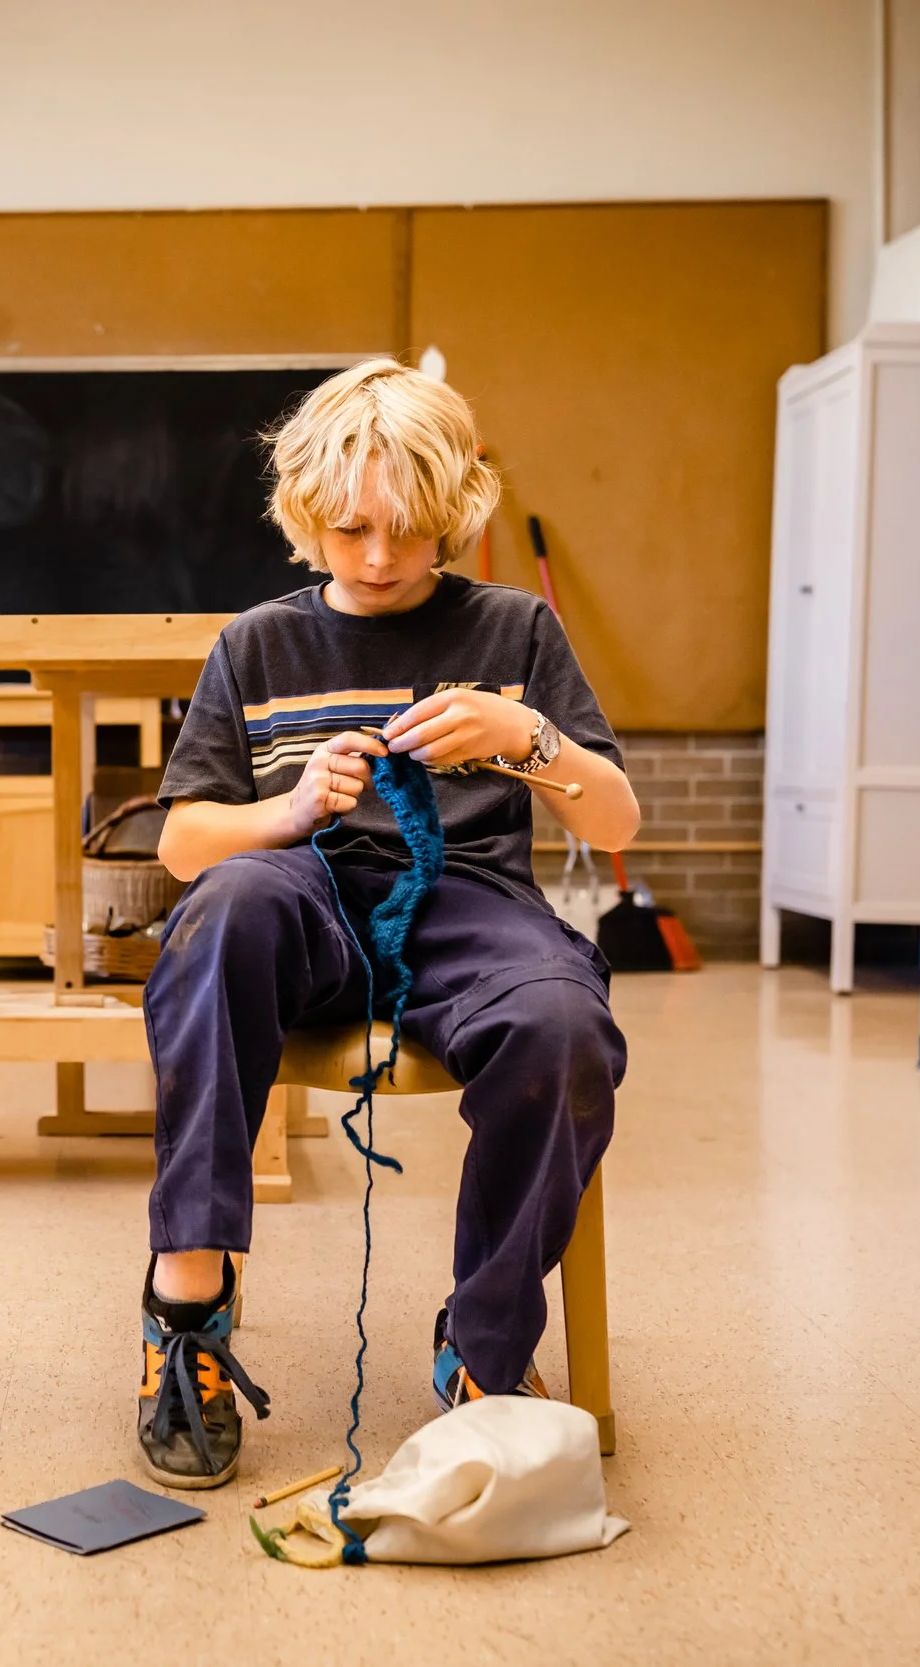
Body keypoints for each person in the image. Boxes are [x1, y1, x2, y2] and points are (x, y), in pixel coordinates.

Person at [134, 359, 641, 1489]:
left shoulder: (513, 627)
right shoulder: (255, 644)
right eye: (352, 528)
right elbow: (181, 844)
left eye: (407, 531)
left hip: (471, 904)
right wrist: (297, 804)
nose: (375, 557)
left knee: (561, 1026)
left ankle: (486, 1341)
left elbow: (616, 819)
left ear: (454, 511)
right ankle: (187, 1303)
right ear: (307, 514)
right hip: (300, 888)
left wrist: (526, 737)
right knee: (222, 912)